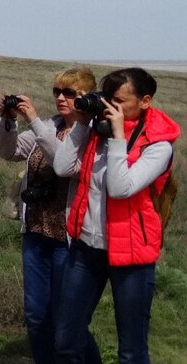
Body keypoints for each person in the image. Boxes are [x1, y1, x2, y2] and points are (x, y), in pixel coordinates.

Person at [52, 67, 180, 364]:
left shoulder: (159, 145)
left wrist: (119, 136)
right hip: (86, 249)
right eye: (107, 98)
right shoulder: (98, 128)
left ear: (145, 101)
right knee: (66, 340)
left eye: (119, 101)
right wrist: (82, 125)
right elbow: (61, 167)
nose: (110, 106)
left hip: (132, 256)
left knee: (131, 351)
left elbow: (121, 188)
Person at [0, 67, 99, 364]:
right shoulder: (49, 126)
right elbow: (8, 151)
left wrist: (34, 121)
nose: (61, 98)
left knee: (67, 319)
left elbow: (65, 163)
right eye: (57, 92)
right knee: (36, 315)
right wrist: (8, 120)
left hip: (70, 240)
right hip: (36, 234)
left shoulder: (91, 136)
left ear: (87, 97)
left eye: (70, 93)